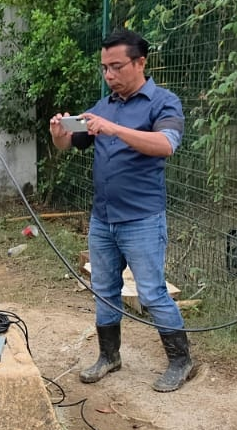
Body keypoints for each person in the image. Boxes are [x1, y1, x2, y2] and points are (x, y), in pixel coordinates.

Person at [48, 28, 194, 393]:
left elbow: (166, 144)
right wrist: (59, 133)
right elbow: (67, 145)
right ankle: (109, 356)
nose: (109, 75)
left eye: (116, 67)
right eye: (104, 68)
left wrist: (113, 129)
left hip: (142, 218)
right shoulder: (104, 106)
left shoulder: (163, 102)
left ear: (140, 62)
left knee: (152, 293)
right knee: (104, 290)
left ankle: (181, 361)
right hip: (103, 219)